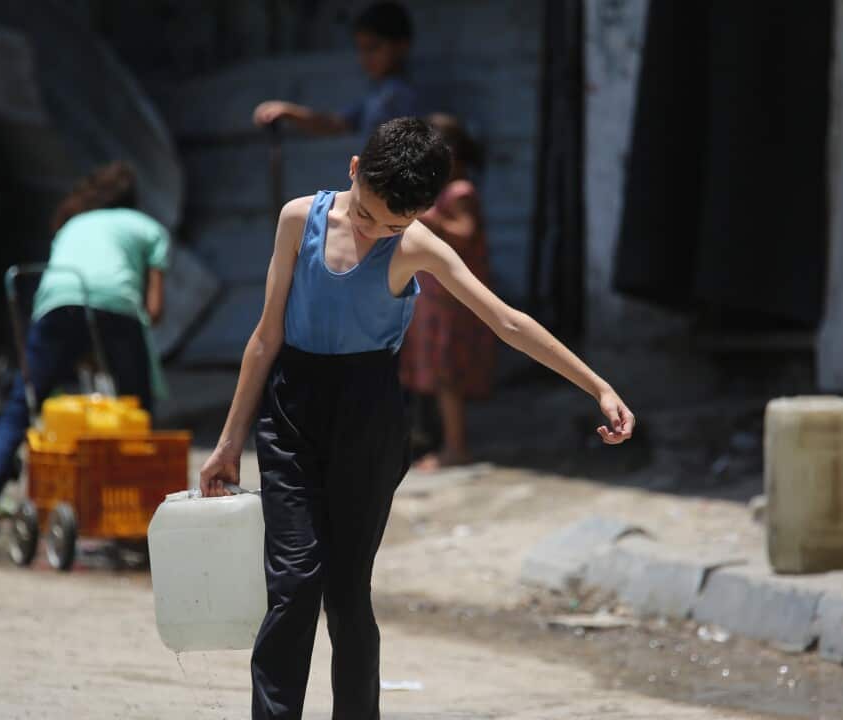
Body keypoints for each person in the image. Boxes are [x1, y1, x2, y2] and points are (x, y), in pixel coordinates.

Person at [197, 117, 635, 718]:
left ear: (420, 214)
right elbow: (265, 335)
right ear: (354, 170)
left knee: (348, 594)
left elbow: (506, 321)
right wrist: (228, 443)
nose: (375, 231)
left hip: (370, 415)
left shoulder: (416, 245)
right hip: (290, 411)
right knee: (294, 585)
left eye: (394, 224)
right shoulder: (299, 219)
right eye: (367, 214)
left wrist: (598, 386)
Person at [0, 162, 168, 548]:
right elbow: (153, 310)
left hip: (56, 303)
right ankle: (136, 520)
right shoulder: (147, 228)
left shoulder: (72, 225)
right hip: (116, 308)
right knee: (137, 411)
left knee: (20, 410)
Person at [398, 114, 494, 470]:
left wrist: (426, 218)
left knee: (447, 373)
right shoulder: (443, 193)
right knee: (438, 372)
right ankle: (442, 441)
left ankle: (456, 448)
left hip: (453, 299)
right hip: (438, 297)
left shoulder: (460, 193)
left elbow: (466, 233)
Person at [252, 2, 418, 137]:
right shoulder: (376, 95)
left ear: (401, 46)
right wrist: (289, 112)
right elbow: (336, 123)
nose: (366, 58)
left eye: (373, 48)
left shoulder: (406, 94)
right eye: (361, 49)